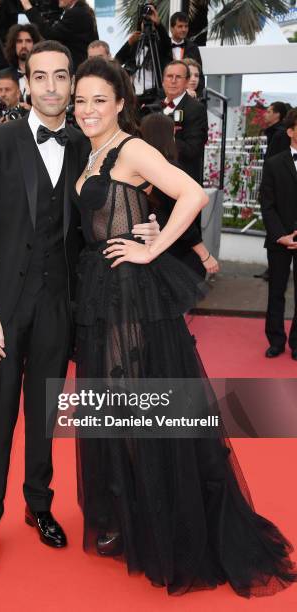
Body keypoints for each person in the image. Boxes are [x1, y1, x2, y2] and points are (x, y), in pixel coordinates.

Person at [72, 57, 297, 597]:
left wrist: (153, 246)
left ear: (121, 103)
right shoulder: (92, 151)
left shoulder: (130, 148)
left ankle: (167, 526)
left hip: (130, 296)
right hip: (100, 292)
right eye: (80, 100)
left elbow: (193, 193)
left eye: (99, 100)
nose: (87, 109)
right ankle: (132, 517)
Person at [0, 40, 158, 571]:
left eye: (61, 76)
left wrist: (148, 228)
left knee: (45, 416)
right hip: (2, 309)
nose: (51, 86)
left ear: (73, 82)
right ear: (26, 83)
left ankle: (39, 506)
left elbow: (115, 202)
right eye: (40, 76)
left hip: (58, 304)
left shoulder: (82, 143)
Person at [141, 112, 218, 277]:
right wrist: (205, 255)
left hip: (147, 245)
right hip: (172, 250)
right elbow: (184, 219)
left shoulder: (138, 168)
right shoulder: (169, 170)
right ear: (169, 135)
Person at [260, 108, 297, 361]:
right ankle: (275, 340)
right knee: (276, 291)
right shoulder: (274, 163)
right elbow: (267, 203)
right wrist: (280, 235)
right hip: (279, 239)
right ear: (291, 131)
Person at [19, 0, 98, 70]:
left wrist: (27, 6)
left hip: (77, 69)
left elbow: (49, 34)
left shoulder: (76, 13)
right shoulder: (82, 10)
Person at [4, 23, 42, 101]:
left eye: (28, 41)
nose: (23, 45)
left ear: (35, 44)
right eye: (19, 41)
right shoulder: (4, 75)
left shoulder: (44, 74)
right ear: (13, 45)